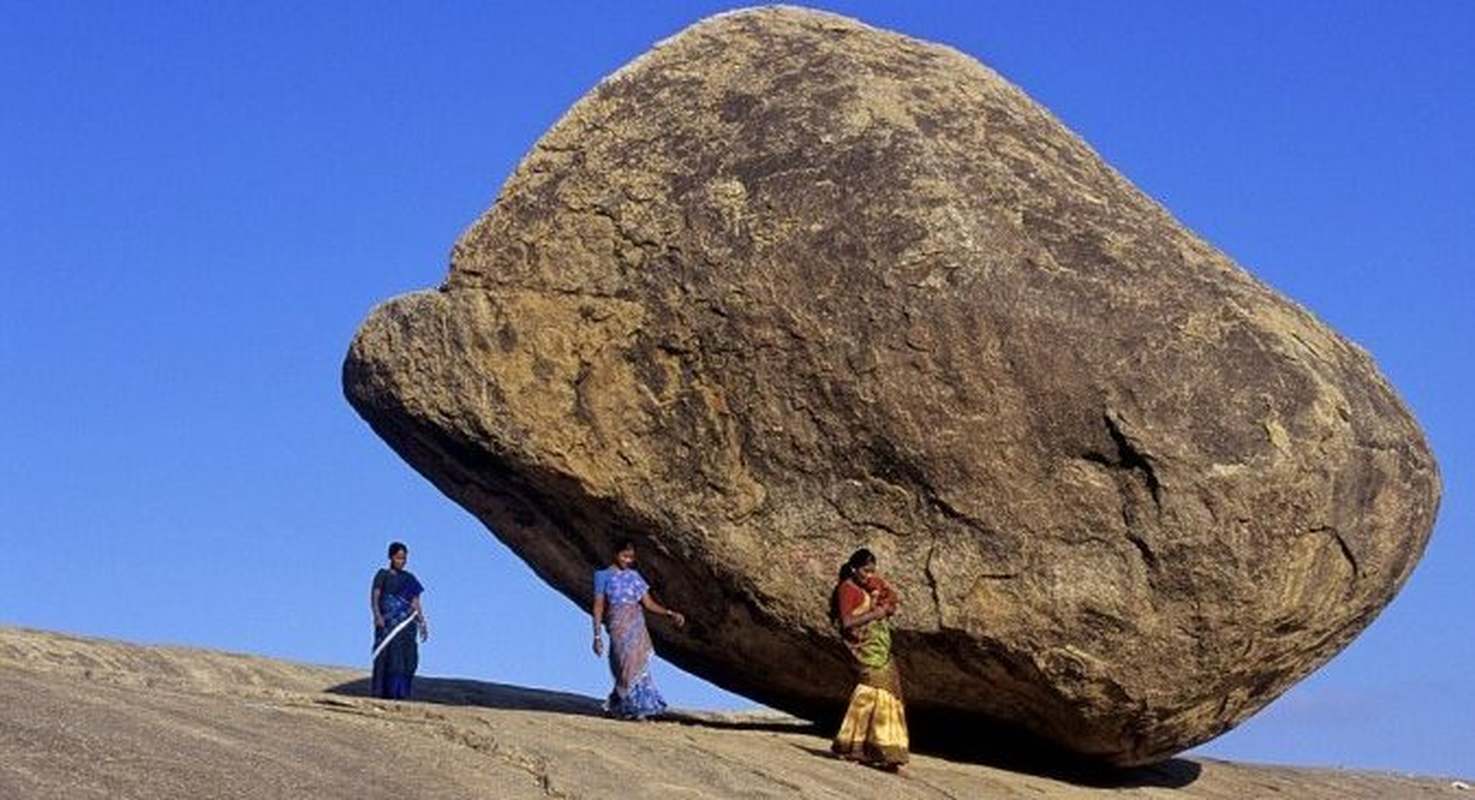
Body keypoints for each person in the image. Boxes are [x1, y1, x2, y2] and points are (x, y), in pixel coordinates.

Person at [829, 547, 909, 770]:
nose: (869, 575)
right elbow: (846, 622)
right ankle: (859, 747)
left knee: (889, 692)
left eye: (872, 571)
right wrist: (877, 613)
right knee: (871, 692)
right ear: (854, 568)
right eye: (865, 570)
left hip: (881, 648)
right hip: (864, 650)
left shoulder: (871, 584)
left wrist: (883, 602)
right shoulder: (846, 588)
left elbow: (891, 599)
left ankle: (884, 748)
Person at [591, 539, 686, 720]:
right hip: (617, 624)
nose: (628, 560)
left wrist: (669, 613)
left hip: (636, 624)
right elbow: (598, 606)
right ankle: (623, 704)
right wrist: (597, 636)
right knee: (622, 664)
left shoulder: (635, 576)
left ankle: (639, 708)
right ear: (615, 553)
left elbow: (648, 603)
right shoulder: (602, 576)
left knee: (636, 663)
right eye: (624, 556)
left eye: (631, 557)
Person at [371, 541, 428, 700]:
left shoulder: (410, 578)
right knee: (390, 659)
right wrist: (377, 616)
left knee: (408, 660)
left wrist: (422, 622)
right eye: (398, 558)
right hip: (387, 625)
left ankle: (402, 693)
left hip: (407, 626)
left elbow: (416, 602)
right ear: (391, 557)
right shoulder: (382, 574)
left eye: (404, 558)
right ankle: (384, 693)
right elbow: (375, 597)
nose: (401, 561)